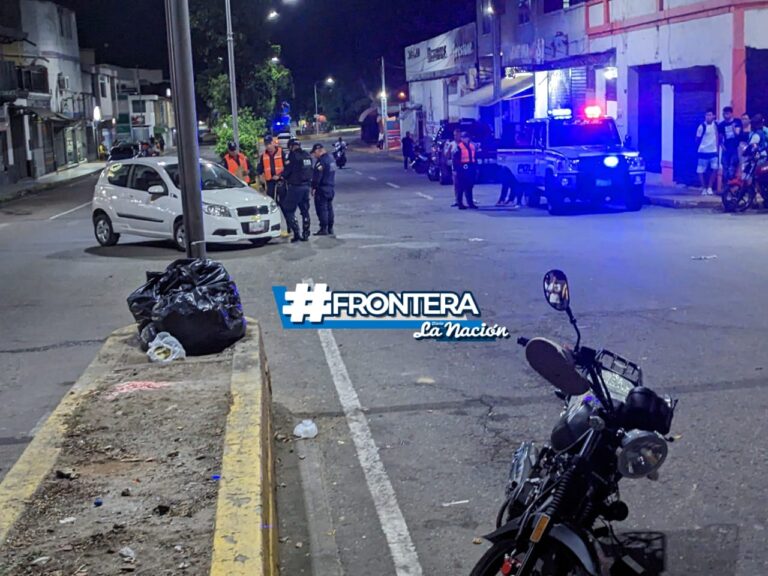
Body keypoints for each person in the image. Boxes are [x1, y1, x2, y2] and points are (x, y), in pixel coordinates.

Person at [281, 138, 313, 242]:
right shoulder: (307, 155)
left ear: (291, 146)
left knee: (289, 209)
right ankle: (306, 233)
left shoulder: (292, 156)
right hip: (306, 187)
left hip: (295, 187)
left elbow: (287, 171)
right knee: (304, 211)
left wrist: (281, 176)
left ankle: (296, 233)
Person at [311, 143, 336, 235]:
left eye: (314, 153)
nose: (314, 155)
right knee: (329, 208)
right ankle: (330, 228)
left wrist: (313, 187)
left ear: (318, 151)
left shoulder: (321, 161)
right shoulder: (331, 159)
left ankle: (323, 228)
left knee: (322, 209)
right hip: (330, 187)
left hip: (322, 188)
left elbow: (317, 177)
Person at [695, 109, 720, 196]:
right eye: (706, 115)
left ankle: (709, 187)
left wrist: (717, 148)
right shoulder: (701, 126)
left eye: (710, 115)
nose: (708, 117)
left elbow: (718, 135)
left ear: (713, 116)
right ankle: (704, 188)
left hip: (713, 151)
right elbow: (697, 139)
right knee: (701, 170)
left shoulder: (716, 125)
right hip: (703, 151)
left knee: (714, 169)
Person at [452, 131, 479, 210]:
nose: (466, 139)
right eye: (464, 137)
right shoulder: (458, 147)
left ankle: (470, 203)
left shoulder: (471, 146)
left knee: (469, 187)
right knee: (460, 187)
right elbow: (455, 160)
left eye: (467, 137)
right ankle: (460, 203)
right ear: (462, 138)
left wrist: (476, 168)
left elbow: (475, 158)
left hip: (470, 169)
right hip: (461, 169)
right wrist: (456, 170)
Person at [256, 135, 286, 202]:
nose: (268, 146)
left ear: (273, 142)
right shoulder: (263, 156)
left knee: (284, 202)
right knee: (271, 201)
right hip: (270, 182)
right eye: (266, 144)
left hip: (281, 181)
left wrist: (280, 176)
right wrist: (260, 178)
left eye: (269, 143)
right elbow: (259, 169)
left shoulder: (281, 153)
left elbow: (287, 168)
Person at [718, 106, 742, 182]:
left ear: (731, 114)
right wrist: (722, 146)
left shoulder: (737, 122)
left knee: (733, 166)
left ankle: (733, 185)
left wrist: (733, 128)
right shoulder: (721, 125)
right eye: (724, 114)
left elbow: (737, 134)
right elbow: (720, 137)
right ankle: (726, 186)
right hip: (726, 148)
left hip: (735, 148)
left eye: (727, 113)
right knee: (725, 166)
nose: (725, 115)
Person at [445, 129, 463, 207]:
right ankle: (457, 200)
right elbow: (447, 155)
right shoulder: (451, 144)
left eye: (458, 135)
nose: (456, 136)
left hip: (464, 167)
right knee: (456, 185)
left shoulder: (463, 144)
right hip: (455, 167)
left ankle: (467, 200)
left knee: (465, 185)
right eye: (455, 135)